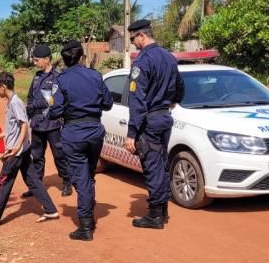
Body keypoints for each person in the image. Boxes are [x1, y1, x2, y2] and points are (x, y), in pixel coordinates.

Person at [48, 40, 113, 241]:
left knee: (81, 178)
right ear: (81, 56)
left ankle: (85, 226)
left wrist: (55, 107)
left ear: (65, 59)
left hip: (74, 133)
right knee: (89, 174)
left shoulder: (61, 80)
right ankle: (88, 207)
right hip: (94, 131)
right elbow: (108, 103)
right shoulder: (95, 75)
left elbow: (55, 111)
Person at [124, 19, 184, 229]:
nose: (133, 44)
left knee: (152, 166)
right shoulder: (169, 57)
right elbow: (179, 86)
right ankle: (163, 210)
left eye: (133, 39)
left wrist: (132, 132)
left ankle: (155, 216)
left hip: (149, 120)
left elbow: (137, 99)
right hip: (164, 117)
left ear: (142, 35)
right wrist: (172, 101)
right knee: (161, 164)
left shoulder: (143, 61)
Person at [0, 71, 59, 228]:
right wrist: (0, 136)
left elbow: (24, 125)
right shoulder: (11, 102)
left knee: (3, 181)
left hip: (16, 152)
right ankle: (50, 209)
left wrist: (16, 147)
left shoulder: (15, 102)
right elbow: (14, 127)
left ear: (3, 86)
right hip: (22, 149)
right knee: (33, 180)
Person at [23, 43, 72, 198]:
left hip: (53, 124)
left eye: (37, 60)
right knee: (37, 156)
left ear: (46, 59)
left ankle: (66, 182)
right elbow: (31, 97)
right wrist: (29, 111)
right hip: (37, 123)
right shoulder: (37, 77)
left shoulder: (58, 77)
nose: (35, 62)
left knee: (59, 154)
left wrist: (33, 106)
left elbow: (52, 101)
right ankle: (36, 185)